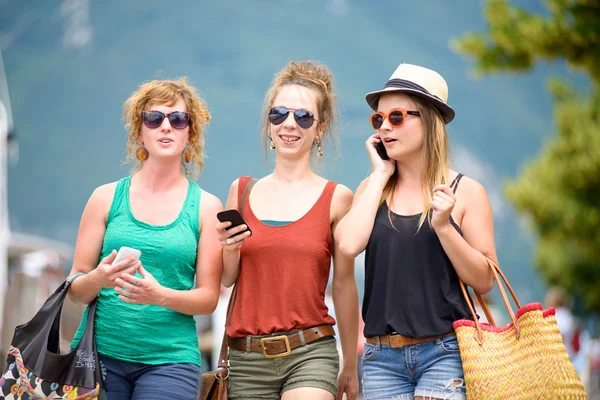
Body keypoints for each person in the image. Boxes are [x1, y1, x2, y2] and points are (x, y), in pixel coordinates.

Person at [336, 63, 498, 400]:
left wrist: (444, 227)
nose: (384, 128)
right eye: (377, 120)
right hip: (381, 357)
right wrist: (380, 174)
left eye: (396, 117)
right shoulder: (372, 187)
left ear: (429, 119)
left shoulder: (466, 191)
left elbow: (485, 279)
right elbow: (349, 245)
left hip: (446, 352)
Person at [67, 78, 223, 400]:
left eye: (178, 119)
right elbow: (75, 289)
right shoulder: (105, 198)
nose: (166, 127)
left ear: (189, 134)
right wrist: (99, 277)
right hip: (98, 354)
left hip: (170, 360)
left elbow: (208, 298)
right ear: (140, 132)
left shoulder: (207, 207)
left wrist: (158, 295)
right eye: (154, 119)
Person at [216, 60, 359, 400]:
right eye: (279, 113)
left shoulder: (338, 198)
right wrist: (229, 248)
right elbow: (226, 278)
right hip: (246, 357)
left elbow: (343, 284)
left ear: (319, 129)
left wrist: (350, 364)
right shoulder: (241, 190)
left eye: (303, 116)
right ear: (268, 124)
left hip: (310, 351)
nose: (289, 124)